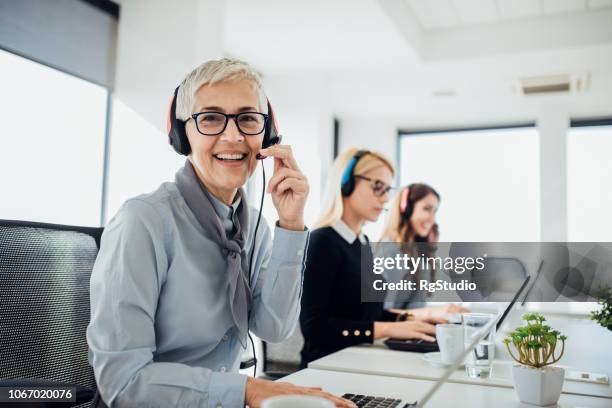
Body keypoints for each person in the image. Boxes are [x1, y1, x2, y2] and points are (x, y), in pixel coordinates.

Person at [87, 58, 355, 408]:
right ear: (182, 134)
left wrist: (290, 225)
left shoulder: (253, 224)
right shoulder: (144, 221)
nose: (234, 136)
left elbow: (274, 329)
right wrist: (246, 390)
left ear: (267, 134)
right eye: (210, 118)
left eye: (247, 118)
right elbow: (122, 382)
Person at [299, 149, 450, 367]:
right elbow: (315, 327)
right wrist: (389, 329)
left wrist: (414, 320)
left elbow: (371, 313)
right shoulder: (322, 241)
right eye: (377, 186)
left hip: (359, 360)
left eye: (387, 189)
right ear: (346, 183)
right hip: (326, 367)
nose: (386, 198)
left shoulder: (362, 243)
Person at [380, 183, 466, 313]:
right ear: (406, 209)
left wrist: (430, 249)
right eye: (426, 209)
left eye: (434, 211)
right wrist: (434, 312)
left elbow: (415, 308)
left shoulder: (415, 252)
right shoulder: (391, 251)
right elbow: (383, 314)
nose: (432, 219)